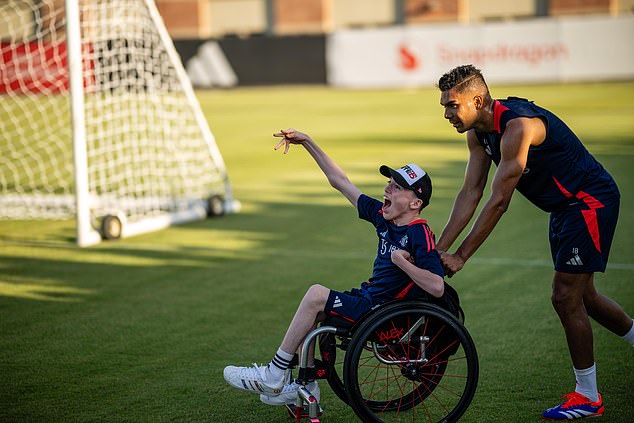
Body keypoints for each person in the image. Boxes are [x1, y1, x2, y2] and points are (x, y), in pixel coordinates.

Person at [435, 64, 634, 420]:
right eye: (445, 107)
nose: (447, 114)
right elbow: (471, 192)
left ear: (477, 100)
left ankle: (588, 397)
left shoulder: (517, 127)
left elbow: (498, 201)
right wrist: (439, 248)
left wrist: (462, 255)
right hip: (563, 208)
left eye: (453, 105)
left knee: (565, 295)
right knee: (585, 296)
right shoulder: (478, 133)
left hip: (589, 202)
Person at [223, 128, 451, 407]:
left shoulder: (419, 233)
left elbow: (437, 286)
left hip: (384, 313)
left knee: (316, 294)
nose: (386, 190)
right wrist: (307, 142)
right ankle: (304, 386)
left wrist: (402, 263)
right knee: (316, 308)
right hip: (370, 300)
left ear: (416, 203)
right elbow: (340, 182)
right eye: (388, 183)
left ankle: (274, 373)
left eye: (396, 187)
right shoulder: (384, 218)